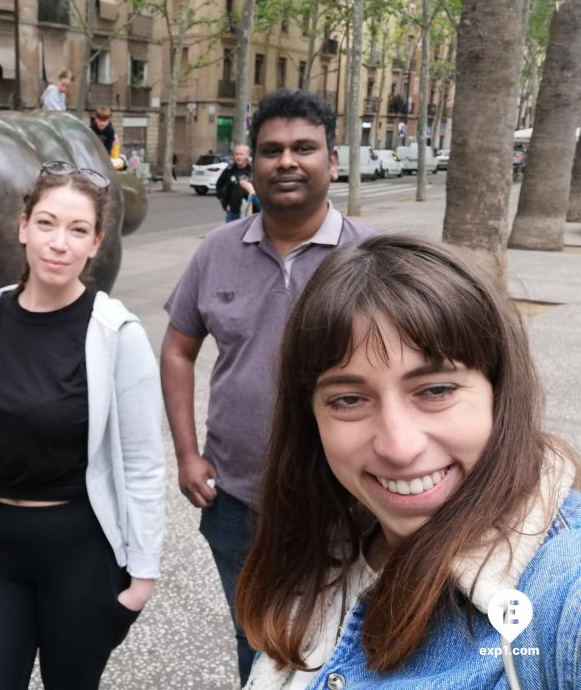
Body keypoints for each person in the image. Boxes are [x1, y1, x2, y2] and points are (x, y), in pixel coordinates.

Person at [237, 233, 581, 689]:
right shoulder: (330, 537)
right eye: (348, 399)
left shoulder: (562, 594)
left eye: (436, 390)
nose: (399, 447)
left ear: (499, 393)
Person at [161, 88, 374, 685]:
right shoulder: (217, 251)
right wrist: (185, 453)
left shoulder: (373, 254)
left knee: (350, 638)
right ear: (249, 164)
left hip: (350, 504)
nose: (287, 161)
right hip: (238, 500)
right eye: (271, 150)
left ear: (332, 162)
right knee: (253, 635)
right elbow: (178, 347)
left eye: (305, 148)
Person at [0, 160, 165, 690]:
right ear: (23, 227)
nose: (58, 242)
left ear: (95, 244)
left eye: (77, 229)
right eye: (46, 223)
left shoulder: (115, 334)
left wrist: (143, 577)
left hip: (80, 553)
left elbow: (142, 462)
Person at [215, 144, 256, 223]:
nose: (238, 157)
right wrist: (224, 203)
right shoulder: (229, 171)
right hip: (233, 212)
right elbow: (219, 186)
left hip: (250, 212)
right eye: (236, 154)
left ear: (247, 155)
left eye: (241, 154)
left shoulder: (253, 171)